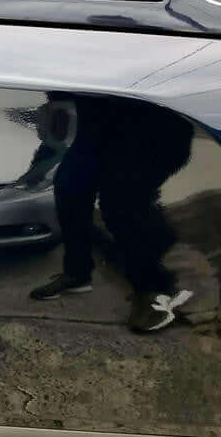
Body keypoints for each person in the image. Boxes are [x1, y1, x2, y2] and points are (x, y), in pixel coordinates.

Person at [29, 95, 195, 333]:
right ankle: (77, 273)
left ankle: (154, 291)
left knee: (120, 202)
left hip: (151, 125)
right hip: (96, 121)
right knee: (69, 186)